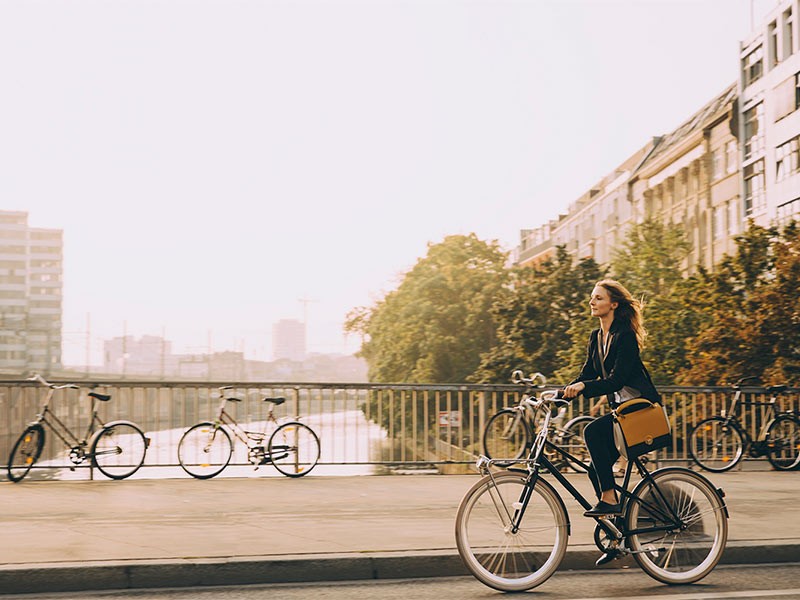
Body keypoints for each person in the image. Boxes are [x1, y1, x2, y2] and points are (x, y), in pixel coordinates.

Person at [562, 279, 660, 518]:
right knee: (595, 471)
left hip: (640, 410)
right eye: (592, 297)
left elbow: (616, 381)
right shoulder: (596, 337)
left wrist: (584, 387)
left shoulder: (624, 336)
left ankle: (609, 500)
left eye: (599, 298)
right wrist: (560, 393)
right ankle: (616, 529)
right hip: (622, 412)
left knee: (592, 432)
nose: (592, 301)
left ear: (614, 304)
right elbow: (587, 373)